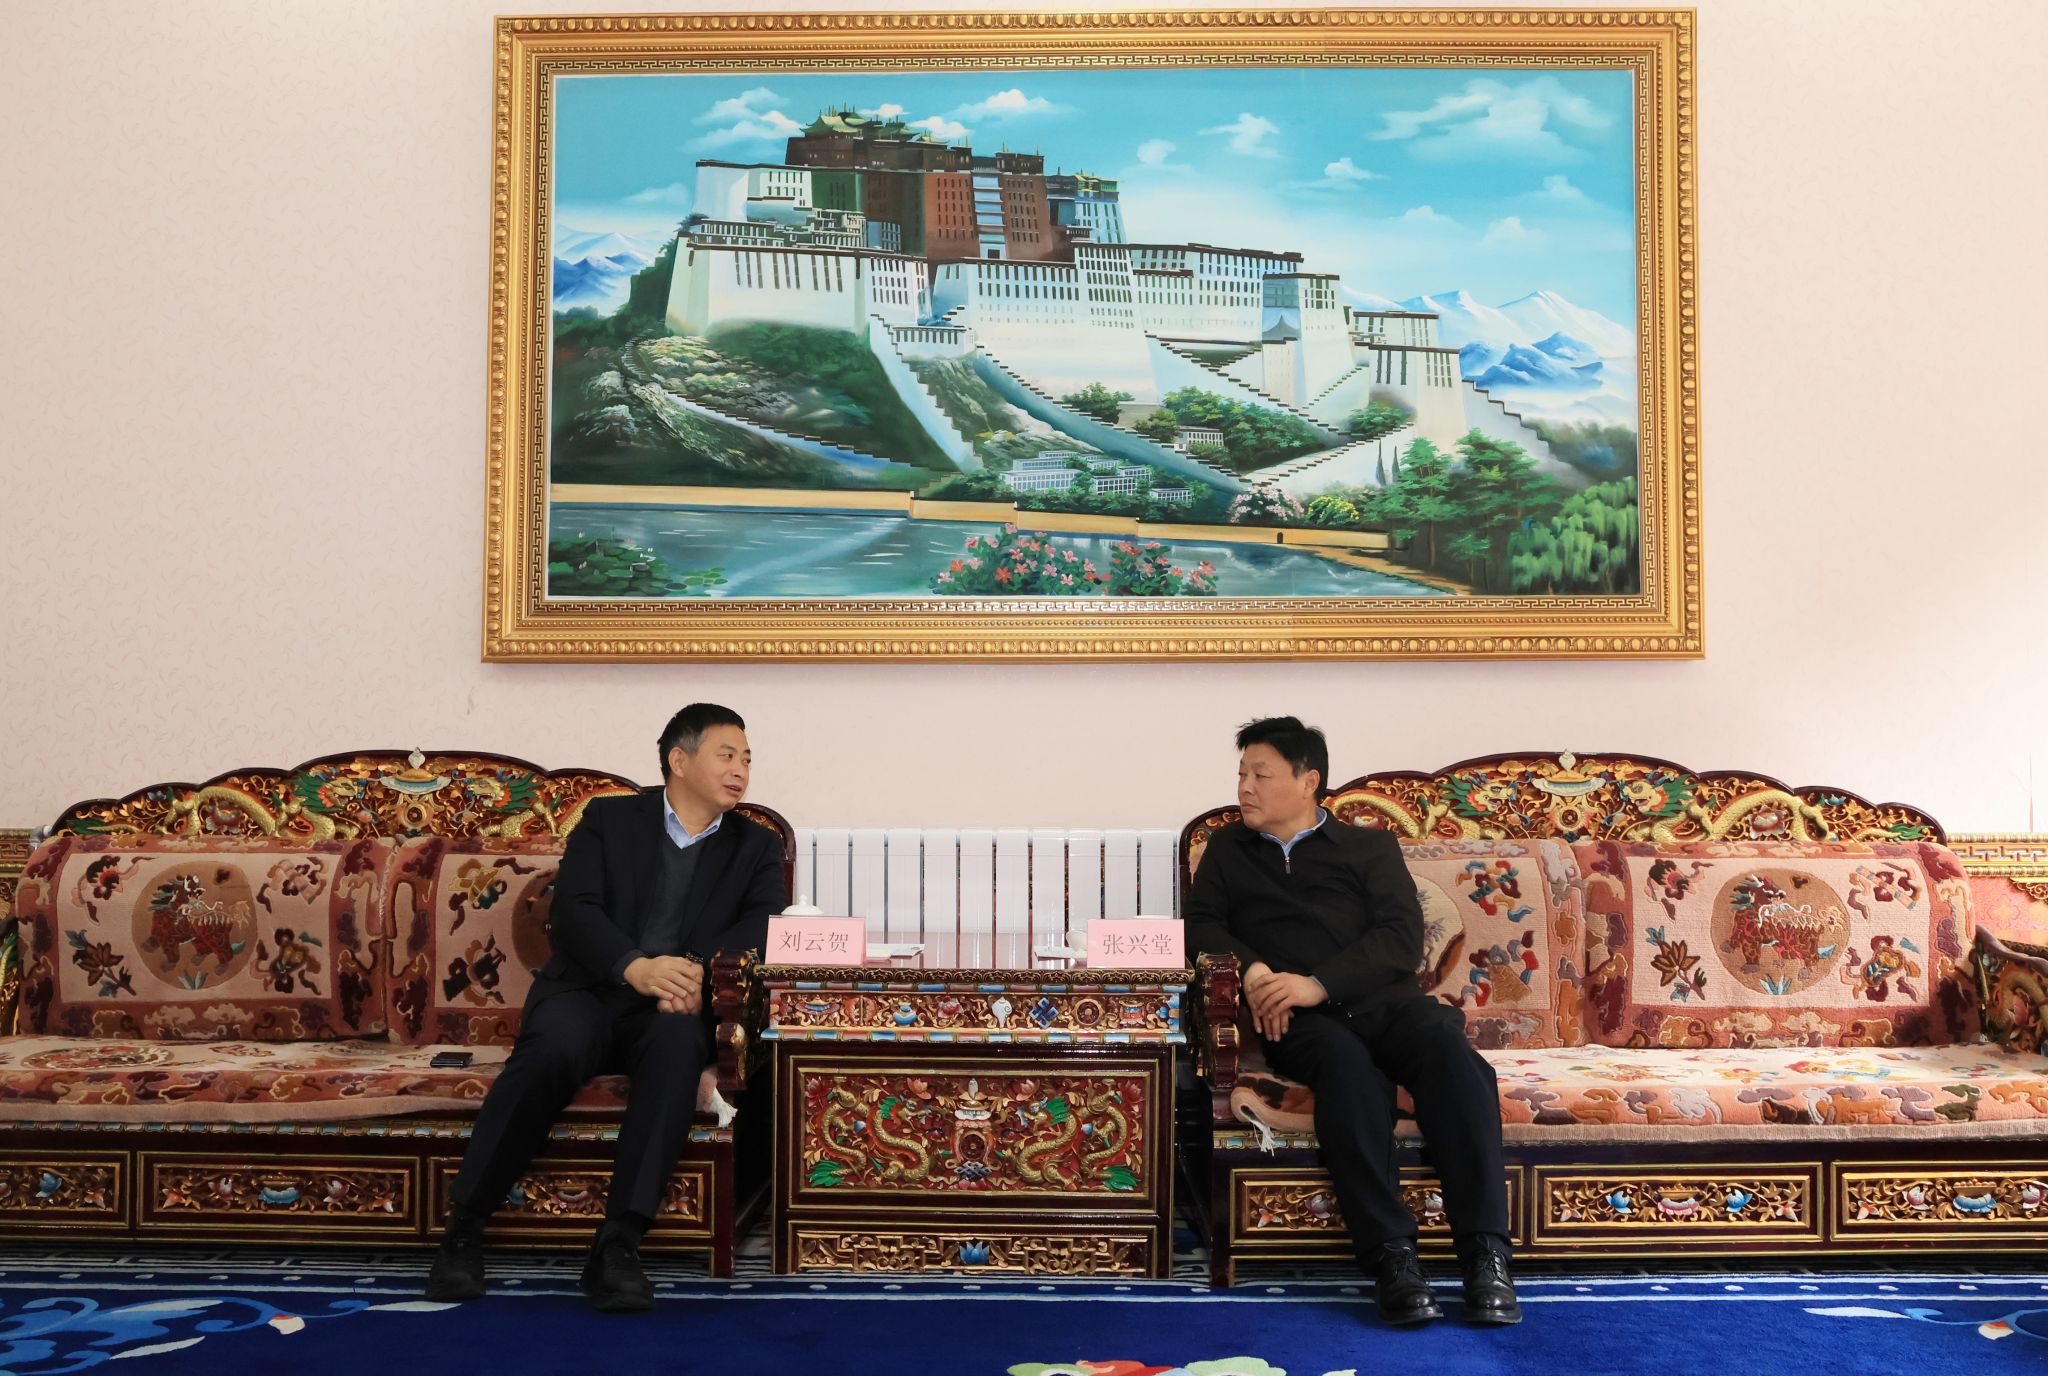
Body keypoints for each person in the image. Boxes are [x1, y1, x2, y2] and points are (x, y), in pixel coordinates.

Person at [424, 703, 786, 1312]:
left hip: (674, 1003)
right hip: (590, 990)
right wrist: (634, 966)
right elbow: (574, 910)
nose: (740, 770)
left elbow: (763, 924)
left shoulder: (756, 844)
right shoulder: (609, 819)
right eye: (726, 755)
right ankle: (463, 1230)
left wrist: (694, 970)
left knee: (676, 1052)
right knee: (550, 1052)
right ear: (679, 760)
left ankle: (618, 1244)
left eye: (747, 759)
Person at [1185, 716, 1519, 1326]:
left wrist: (1317, 983)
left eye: (1261, 774)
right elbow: (1202, 925)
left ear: (1308, 781)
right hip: (1299, 1024)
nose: (1245, 787)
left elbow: (1400, 938)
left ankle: (1485, 1254)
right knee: (1348, 1071)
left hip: (1383, 1004)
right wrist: (1255, 972)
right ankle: (1393, 1257)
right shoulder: (1228, 851)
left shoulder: (1369, 848)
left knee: (1454, 1059)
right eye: (1242, 774)